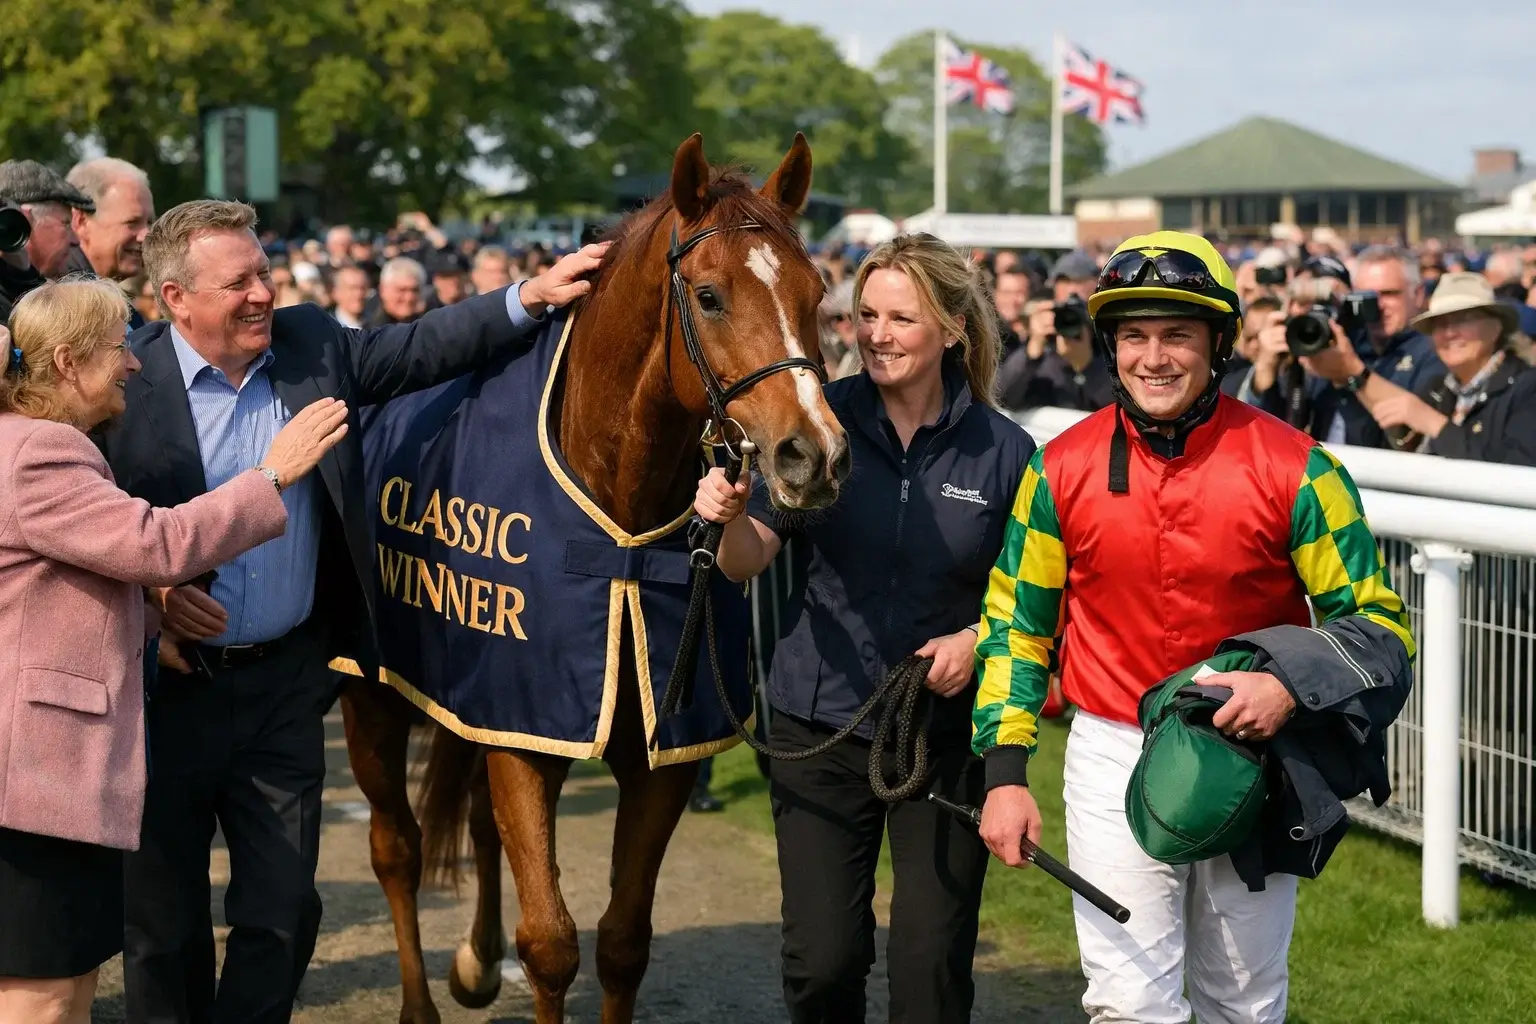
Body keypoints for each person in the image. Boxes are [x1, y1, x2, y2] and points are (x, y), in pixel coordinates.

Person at [95, 199, 605, 1024]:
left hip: (285, 688)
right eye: (240, 283)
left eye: (265, 270)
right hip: (163, 696)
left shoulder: (311, 347)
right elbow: (81, 521)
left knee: (285, 912)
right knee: (162, 928)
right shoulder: (124, 380)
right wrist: (148, 597)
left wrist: (533, 295)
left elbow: (423, 347)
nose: (264, 292)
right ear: (174, 298)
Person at [971, 231, 1415, 1024]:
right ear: (1111, 347)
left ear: (1219, 344)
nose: (1155, 357)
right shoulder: (1058, 467)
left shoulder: (1302, 467)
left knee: (1242, 1004)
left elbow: (1379, 624)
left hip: (1254, 756)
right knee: (1125, 1002)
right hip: (1112, 754)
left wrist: (1285, 683)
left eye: (1177, 334)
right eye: (1134, 335)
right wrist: (1005, 773)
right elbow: (1015, 626)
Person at [694, 233, 1035, 1023]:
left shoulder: (1007, 453)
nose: (875, 334)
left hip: (943, 741)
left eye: (900, 318)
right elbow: (749, 560)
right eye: (865, 315)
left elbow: (1032, 603)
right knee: (822, 966)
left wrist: (976, 640)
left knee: (931, 976)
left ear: (952, 328)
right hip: (820, 730)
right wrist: (724, 519)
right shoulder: (824, 420)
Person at [0, 278, 346, 1024]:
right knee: (46, 997)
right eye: (119, 349)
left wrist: (155, 618)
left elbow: (70, 579)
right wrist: (273, 473)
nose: (132, 364)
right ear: (67, 362)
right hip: (35, 776)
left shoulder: (39, 444)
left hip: (54, 775)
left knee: (69, 987)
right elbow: (156, 543)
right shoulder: (42, 452)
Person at [1360, 271, 1536, 465]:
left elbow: (1517, 479)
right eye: (1440, 324)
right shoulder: (1437, 389)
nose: (1450, 333)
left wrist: (1435, 425)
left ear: (1496, 327)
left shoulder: (1527, 389)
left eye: (1464, 319)